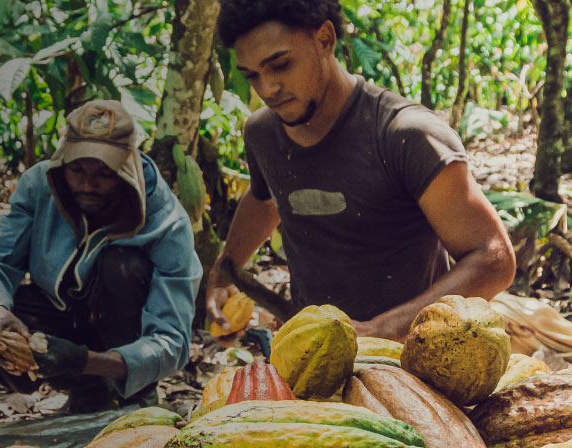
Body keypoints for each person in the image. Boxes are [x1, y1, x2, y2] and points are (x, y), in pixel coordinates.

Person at [205, 0, 517, 342]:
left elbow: (493, 259)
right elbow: (265, 198)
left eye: (280, 65)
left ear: (325, 39)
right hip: (311, 355)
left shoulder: (405, 135)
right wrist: (224, 271)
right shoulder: (262, 134)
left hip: (414, 362)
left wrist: (381, 330)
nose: (266, 89)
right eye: (252, 75)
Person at [0, 100, 202, 414]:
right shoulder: (40, 185)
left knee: (122, 265)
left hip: (123, 339)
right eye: (77, 169)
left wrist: (82, 360)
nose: (88, 184)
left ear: (128, 170)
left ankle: (134, 396)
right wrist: (0, 318)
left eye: (104, 173)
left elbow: (172, 343)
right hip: (63, 315)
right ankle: (88, 393)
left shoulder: (167, 221)